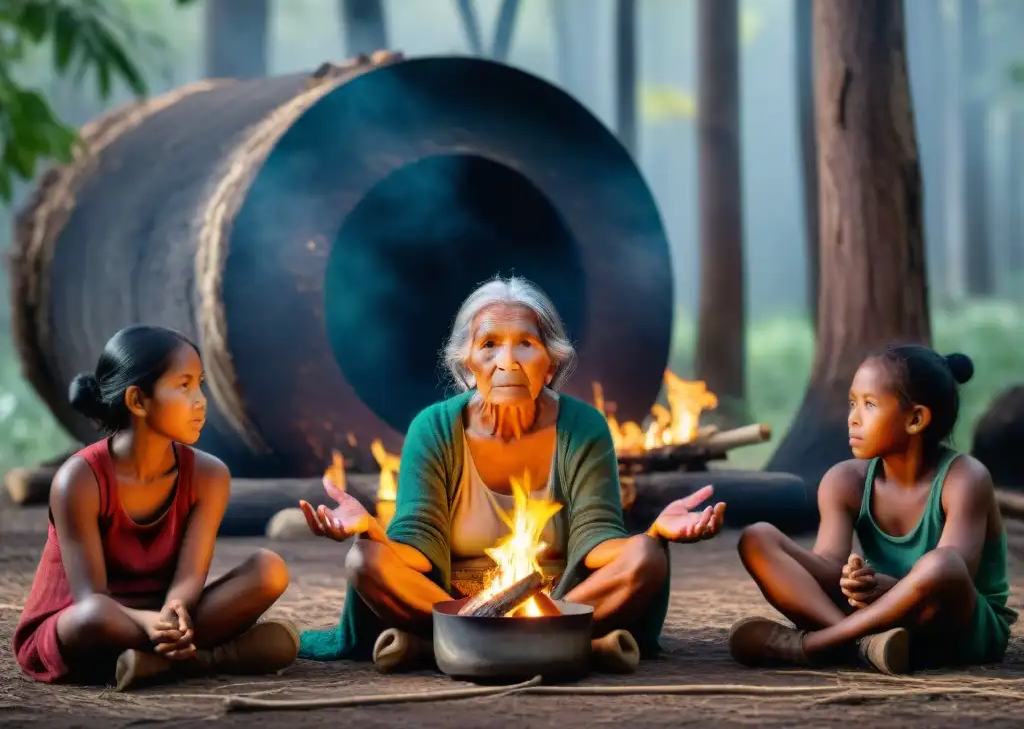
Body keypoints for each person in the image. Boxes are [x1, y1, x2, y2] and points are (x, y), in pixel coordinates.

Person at [298, 275, 727, 670]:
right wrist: (372, 530)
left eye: (525, 343)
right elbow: (416, 542)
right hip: (453, 603)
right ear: (467, 364)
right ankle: (544, 644)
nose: (508, 361)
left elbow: (596, 535)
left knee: (647, 559)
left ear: (551, 363)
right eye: (489, 345)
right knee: (365, 560)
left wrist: (654, 533)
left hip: (560, 601)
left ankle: (456, 646)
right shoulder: (433, 428)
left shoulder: (583, 427)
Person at [13, 325, 298, 691]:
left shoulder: (209, 476)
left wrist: (175, 607)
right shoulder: (79, 480)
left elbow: (190, 574)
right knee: (93, 617)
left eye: (200, 383)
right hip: (90, 620)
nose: (200, 400)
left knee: (269, 570)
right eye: (184, 386)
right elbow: (90, 596)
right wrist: (145, 622)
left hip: (166, 614)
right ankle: (212, 659)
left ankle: (151, 662)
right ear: (137, 401)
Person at [729, 345, 1017, 674]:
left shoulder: (965, 478)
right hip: (884, 620)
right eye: (852, 403)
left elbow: (951, 577)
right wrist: (854, 581)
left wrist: (887, 586)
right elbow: (828, 565)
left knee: (942, 563)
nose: (852, 417)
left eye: (869, 404)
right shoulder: (845, 480)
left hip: (959, 627)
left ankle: (816, 645)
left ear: (915, 419)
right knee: (758, 537)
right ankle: (863, 646)